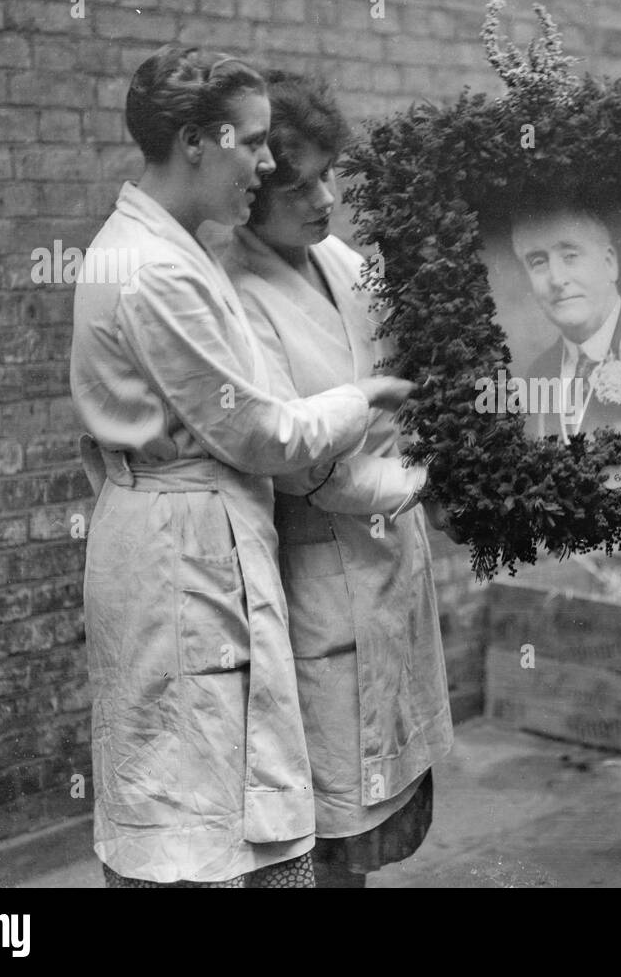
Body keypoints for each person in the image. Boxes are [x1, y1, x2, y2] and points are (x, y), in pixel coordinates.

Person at [70, 45, 413, 888]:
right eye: (253, 143)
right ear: (195, 140)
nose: (266, 164)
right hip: (177, 551)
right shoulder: (153, 270)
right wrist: (364, 397)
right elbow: (261, 434)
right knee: (192, 817)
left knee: (219, 802)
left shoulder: (176, 245)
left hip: (189, 532)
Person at [212, 70, 453, 889]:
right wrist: (423, 475)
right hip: (317, 565)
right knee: (325, 816)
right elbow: (306, 467)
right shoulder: (237, 296)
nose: (324, 201)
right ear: (251, 194)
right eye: (299, 184)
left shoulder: (340, 260)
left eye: (326, 178)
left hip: (387, 560)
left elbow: (400, 372)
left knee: (378, 798)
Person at [511, 202, 621, 438]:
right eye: (538, 262)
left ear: (609, 263)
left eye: (570, 255)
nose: (557, 279)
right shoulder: (538, 373)